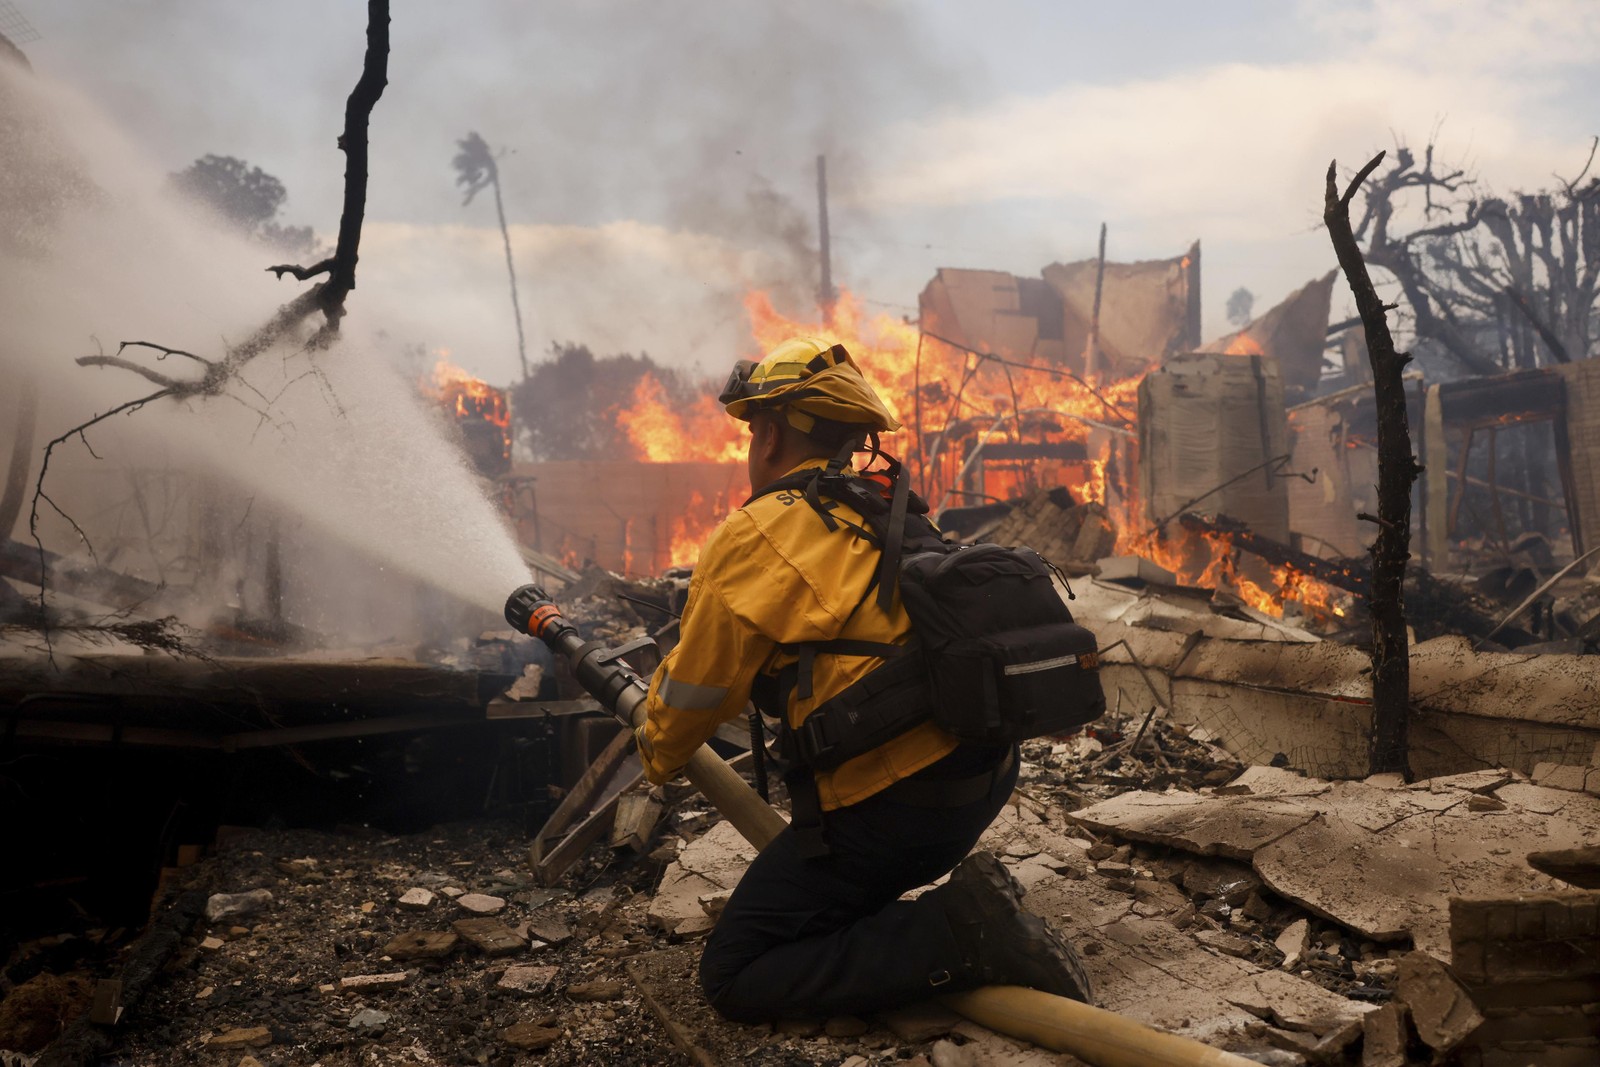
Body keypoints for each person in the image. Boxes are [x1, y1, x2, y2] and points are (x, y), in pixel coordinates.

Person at [633, 336, 1093, 1022]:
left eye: (754, 429)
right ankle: (937, 911)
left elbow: (690, 704)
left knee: (735, 972)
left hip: (900, 811)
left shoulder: (759, 532)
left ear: (770, 433)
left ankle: (960, 931)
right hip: (983, 779)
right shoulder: (884, 504)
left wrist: (653, 747)